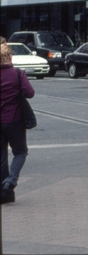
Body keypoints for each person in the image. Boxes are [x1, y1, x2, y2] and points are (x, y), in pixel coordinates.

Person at [1, 43, 35, 204]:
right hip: (14, 121)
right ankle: (11, 181)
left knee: (1, 157)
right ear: (9, 57)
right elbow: (30, 93)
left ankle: (3, 192)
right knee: (20, 152)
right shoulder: (17, 73)